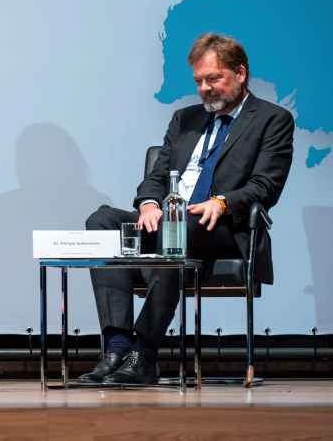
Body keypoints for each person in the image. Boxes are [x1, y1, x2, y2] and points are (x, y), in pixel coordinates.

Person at [80, 33, 294, 385]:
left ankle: (144, 354)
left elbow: (265, 185)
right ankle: (116, 348)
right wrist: (148, 203)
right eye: (199, 81)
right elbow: (156, 176)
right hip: (171, 222)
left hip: (222, 227)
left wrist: (222, 202)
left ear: (240, 73)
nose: (206, 88)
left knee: (183, 227)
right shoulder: (184, 119)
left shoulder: (272, 120)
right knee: (102, 220)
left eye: (214, 79)